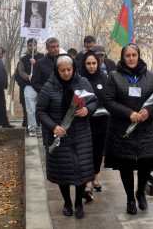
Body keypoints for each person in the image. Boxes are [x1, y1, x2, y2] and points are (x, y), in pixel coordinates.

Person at [103, 43, 153, 215]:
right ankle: (130, 198)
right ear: (123, 57)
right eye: (127, 55)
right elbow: (108, 101)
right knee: (126, 166)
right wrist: (129, 113)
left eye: (133, 55)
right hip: (122, 129)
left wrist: (149, 112)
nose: (131, 58)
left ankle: (140, 192)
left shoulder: (150, 76)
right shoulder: (114, 76)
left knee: (146, 164)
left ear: (139, 56)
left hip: (144, 129)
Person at [36, 54, 98, 219]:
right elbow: (40, 111)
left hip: (80, 134)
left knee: (80, 171)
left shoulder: (83, 83)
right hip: (59, 135)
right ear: (57, 70)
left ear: (74, 68)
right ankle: (67, 203)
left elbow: (94, 101)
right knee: (62, 172)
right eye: (62, 70)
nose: (66, 73)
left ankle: (78, 203)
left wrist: (87, 110)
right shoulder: (49, 87)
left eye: (69, 69)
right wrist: (53, 127)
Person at [80, 51, 108, 201]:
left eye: (94, 63)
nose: (91, 67)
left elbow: (109, 97)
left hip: (101, 121)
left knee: (98, 151)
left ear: (98, 64)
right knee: (86, 151)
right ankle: (88, 182)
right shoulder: (79, 78)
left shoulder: (104, 77)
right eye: (88, 64)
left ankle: (95, 175)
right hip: (84, 121)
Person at [31, 37, 60, 144]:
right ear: (47, 48)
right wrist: (46, 92)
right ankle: (47, 146)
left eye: (57, 46)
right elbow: (35, 83)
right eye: (53, 47)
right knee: (47, 126)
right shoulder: (40, 63)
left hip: (61, 101)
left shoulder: (64, 61)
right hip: (47, 102)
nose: (56, 49)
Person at [18, 38, 44, 136]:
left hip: (41, 86)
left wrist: (36, 63)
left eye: (34, 45)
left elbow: (45, 68)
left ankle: (42, 127)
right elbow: (20, 71)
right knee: (30, 109)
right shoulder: (23, 59)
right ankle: (32, 128)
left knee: (42, 108)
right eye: (30, 45)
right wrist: (27, 77)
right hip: (29, 86)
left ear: (37, 45)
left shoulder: (42, 57)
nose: (32, 47)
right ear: (27, 46)